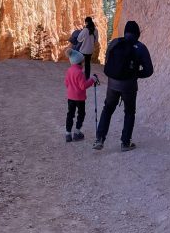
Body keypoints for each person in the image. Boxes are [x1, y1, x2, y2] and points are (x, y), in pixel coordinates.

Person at [93, 20, 153, 152]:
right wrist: (136, 74)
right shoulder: (140, 47)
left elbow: (108, 60)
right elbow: (149, 71)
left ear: (125, 32)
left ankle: (99, 139)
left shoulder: (115, 42)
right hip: (129, 87)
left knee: (107, 109)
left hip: (112, 84)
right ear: (137, 33)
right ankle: (125, 143)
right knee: (129, 112)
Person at [64, 48, 99, 143]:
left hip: (70, 97)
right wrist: (92, 80)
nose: (83, 64)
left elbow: (66, 83)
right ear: (79, 62)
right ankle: (77, 132)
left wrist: (72, 88)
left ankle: (68, 133)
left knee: (70, 114)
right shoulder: (80, 73)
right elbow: (83, 86)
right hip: (79, 98)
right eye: (82, 62)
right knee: (81, 114)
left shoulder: (69, 70)